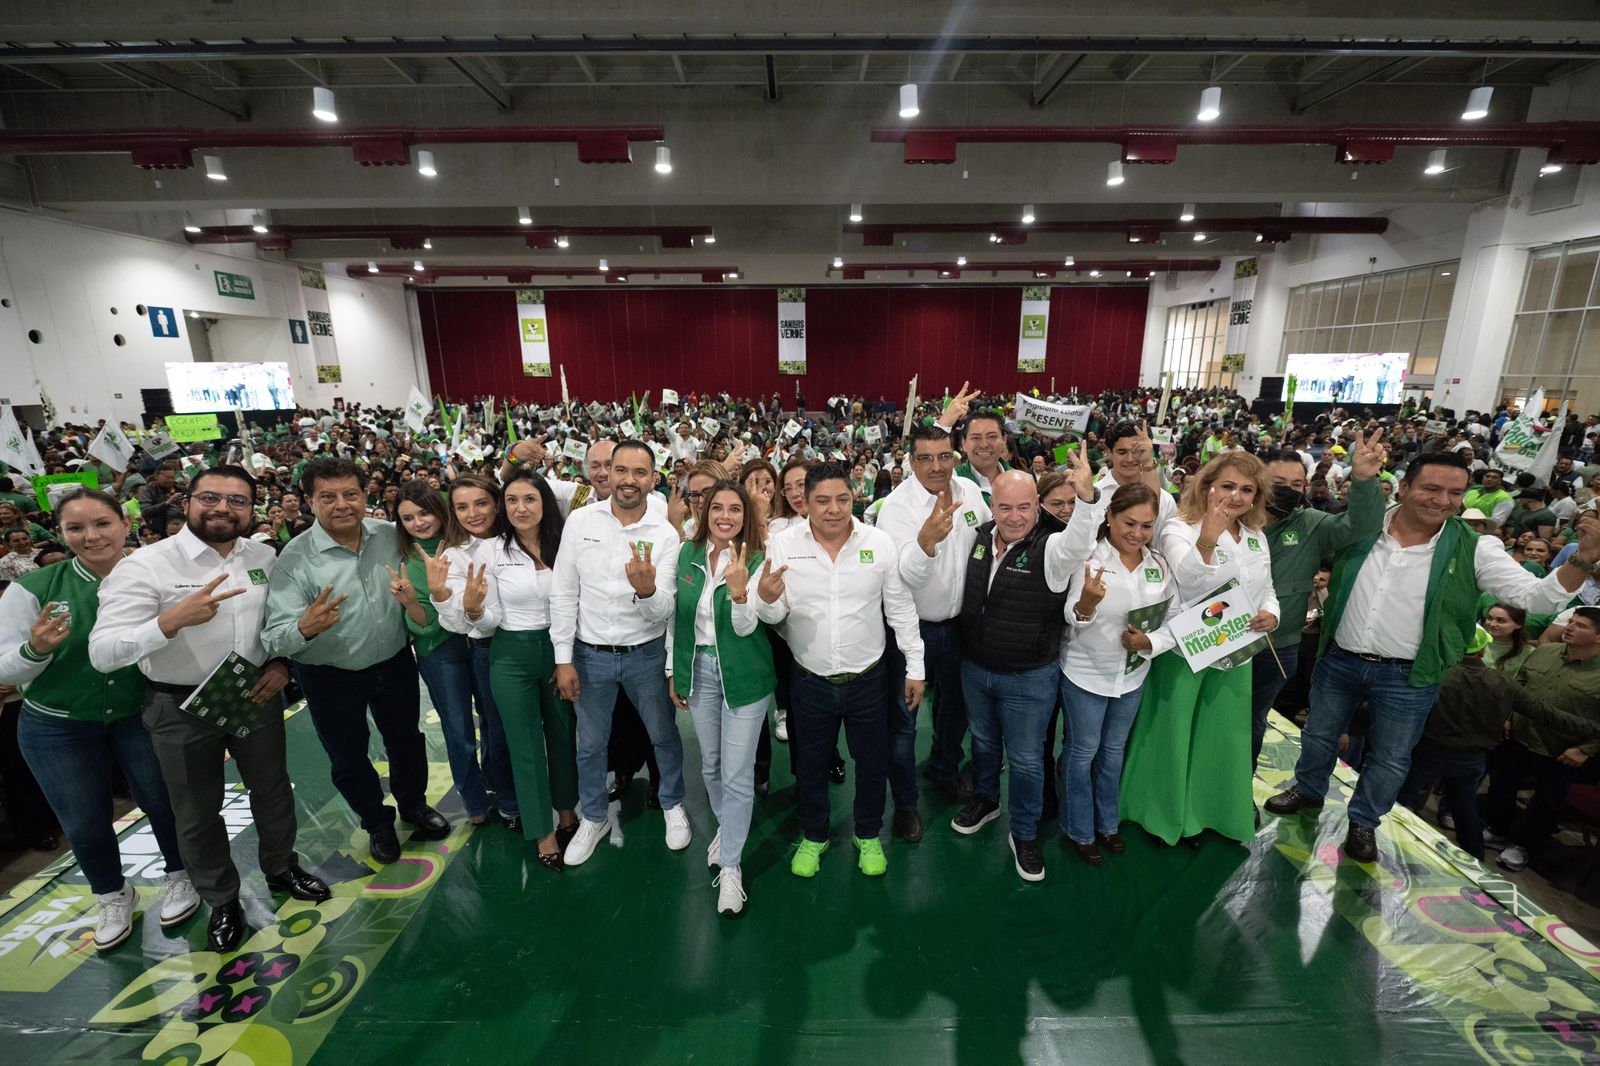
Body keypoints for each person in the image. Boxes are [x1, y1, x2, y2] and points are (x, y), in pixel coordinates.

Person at [1265, 452, 1600, 863]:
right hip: (1340, 658)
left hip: (1408, 674)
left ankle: (1364, 822)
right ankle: (1308, 789)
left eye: (1455, 493)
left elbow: (1538, 598)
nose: (1442, 500)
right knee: (1318, 733)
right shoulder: (1363, 527)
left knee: (1390, 756)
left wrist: (1584, 558)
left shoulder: (1476, 548)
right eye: (1431, 488)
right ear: (1404, 487)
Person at [89, 466, 329, 953]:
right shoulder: (145, 565)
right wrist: (168, 622)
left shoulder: (263, 556)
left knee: (273, 790)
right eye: (211, 498)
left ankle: (281, 866)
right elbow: (103, 652)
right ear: (188, 502)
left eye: (237, 500)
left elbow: (276, 622)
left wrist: (280, 663)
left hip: (253, 692)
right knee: (197, 810)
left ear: (252, 509)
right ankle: (221, 898)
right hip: (179, 704)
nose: (223, 508)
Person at [0, 488, 195, 951]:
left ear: (125, 524)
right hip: (57, 725)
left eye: (102, 523)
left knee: (163, 802)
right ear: (60, 532)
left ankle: (180, 875)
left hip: (139, 714)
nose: (91, 536)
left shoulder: (159, 572)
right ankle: (111, 893)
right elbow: (4, 668)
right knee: (84, 821)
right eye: (76, 527)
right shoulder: (33, 589)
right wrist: (35, 650)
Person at [263, 457, 450, 866]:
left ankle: (414, 806)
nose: (341, 504)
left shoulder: (390, 535)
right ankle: (377, 823)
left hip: (395, 663)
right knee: (348, 757)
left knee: (407, 740)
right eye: (327, 497)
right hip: (328, 676)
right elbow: (274, 635)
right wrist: (305, 628)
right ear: (309, 501)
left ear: (365, 494)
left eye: (350, 494)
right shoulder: (294, 559)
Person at [755, 461, 925, 878]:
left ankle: (867, 833)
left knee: (872, 762)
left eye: (842, 499)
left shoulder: (878, 544)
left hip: (869, 678)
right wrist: (765, 598)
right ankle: (814, 835)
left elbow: (900, 609)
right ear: (805, 503)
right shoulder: (783, 545)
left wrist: (915, 666)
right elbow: (772, 614)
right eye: (823, 501)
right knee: (810, 764)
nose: (834, 509)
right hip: (809, 679)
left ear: (854, 497)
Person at [1121, 451, 1280, 846]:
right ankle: (1163, 815)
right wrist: (1207, 537)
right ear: (1207, 486)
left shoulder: (1257, 536)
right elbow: (1189, 582)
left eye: (1247, 489)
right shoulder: (1180, 528)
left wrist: (1271, 615)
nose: (1236, 496)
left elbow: (1267, 588)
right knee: (1172, 736)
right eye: (1227, 486)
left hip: (1235, 653)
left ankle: (1207, 815)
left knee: (1219, 738)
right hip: (1185, 650)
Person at [948, 453, 1090, 881]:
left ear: (1038, 506)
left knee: (1027, 761)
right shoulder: (979, 538)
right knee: (984, 744)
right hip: (976, 668)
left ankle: (1024, 832)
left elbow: (1078, 543)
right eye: (1005, 507)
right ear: (992, 505)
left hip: (1029, 677)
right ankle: (987, 800)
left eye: (1024, 507)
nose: (1014, 517)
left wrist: (1086, 500)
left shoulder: (1053, 548)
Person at [551, 440, 690, 867]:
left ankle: (672, 803)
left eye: (640, 472)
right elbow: (564, 591)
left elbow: (666, 609)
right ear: (608, 473)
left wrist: (646, 592)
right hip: (589, 655)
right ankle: (594, 817)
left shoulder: (665, 534)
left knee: (663, 735)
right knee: (590, 744)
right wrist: (563, 658)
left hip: (646, 653)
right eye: (622, 470)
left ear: (653, 479)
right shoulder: (580, 522)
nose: (629, 480)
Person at [437, 469, 580, 870]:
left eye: (530, 499)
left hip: (559, 650)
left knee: (563, 735)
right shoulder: (491, 550)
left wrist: (565, 657)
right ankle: (542, 832)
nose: (521, 508)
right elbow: (490, 620)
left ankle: (568, 814)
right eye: (512, 500)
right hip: (510, 655)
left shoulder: (564, 543)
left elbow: (575, 601)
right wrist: (473, 610)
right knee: (524, 745)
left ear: (545, 503)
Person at [874, 424, 992, 836]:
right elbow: (902, 579)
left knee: (956, 708)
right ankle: (906, 804)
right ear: (911, 461)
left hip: (961, 626)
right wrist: (925, 544)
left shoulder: (970, 494)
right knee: (904, 722)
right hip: (910, 630)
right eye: (925, 458)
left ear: (955, 457)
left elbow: (990, 543)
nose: (936, 466)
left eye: (944, 456)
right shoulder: (896, 509)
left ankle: (944, 767)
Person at [1056, 474, 1178, 867]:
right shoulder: (1088, 559)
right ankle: (1079, 828)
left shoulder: (1159, 565)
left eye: (1146, 525)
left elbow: (1174, 618)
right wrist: (1087, 604)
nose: (1137, 533)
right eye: (1129, 523)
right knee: (1082, 752)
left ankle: (1106, 823)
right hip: (1085, 673)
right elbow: (1071, 616)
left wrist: (1151, 643)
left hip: (1132, 676)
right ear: (1109, 516)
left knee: (1113, 752)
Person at [1398, 624, 1600, 860]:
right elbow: (1547, 714)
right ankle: (1475, 860)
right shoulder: (1503, 682)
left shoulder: (1435, 675)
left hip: (1427, 754)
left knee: (1397, 802)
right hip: (1472, 760)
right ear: (1483, 651)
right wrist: (1592, 729)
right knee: (1465, 812)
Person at [669, 480, 774, 915]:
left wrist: (739, 592)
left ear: (745, 515)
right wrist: (674, 671)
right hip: (699, 672)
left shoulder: (759, 558)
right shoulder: (686, 554)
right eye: (717, 508)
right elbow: (677, 620)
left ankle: (731, 866)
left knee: (737, 775)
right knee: (710, 765)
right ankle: (728, 828)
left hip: (745, 676)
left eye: (734, 509)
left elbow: (748, 627)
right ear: (704, 512)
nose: (725, 516)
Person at [1251, 434, 1387, 767]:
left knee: (1252, 721)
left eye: (1297, 484)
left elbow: (1361, 527)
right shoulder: (1230, 517)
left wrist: (1364, 481)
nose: (1288, 490)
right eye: (1278, 483)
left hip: (1277, 645)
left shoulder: (1311, 523)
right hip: (1219, 639)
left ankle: (1237, 788)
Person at [389, 481, 491, 826]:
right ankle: (474, 801)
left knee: (494, 721)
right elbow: (425, 625)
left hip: (482, 640)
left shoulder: (468, 540)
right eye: (407, 518)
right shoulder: (407, 560)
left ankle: (497, 781)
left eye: (424, 512)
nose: (418, 522)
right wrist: (410, 603)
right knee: (458, 729)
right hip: (440, 651)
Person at [431, 475, 520, 830]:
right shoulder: (453, 555)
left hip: (536, 644)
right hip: (489, 649)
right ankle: (510, 802)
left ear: (497, 503)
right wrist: (450, 598)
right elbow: (458, 623)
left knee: (538, 728)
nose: (473, 514)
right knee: (499, 731)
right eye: (462, 507)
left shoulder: (521, 536)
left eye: (481, 503)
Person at [1484, 606, 1600, 871]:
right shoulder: (1545, 652)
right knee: (1502, 785)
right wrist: (1508, 716)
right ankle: (1498, 830)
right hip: (1520, 735)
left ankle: (1523, 846)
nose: (1569, 627)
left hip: (1562, 748)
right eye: (1571, 622)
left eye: (1581, 625)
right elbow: (1520, 684)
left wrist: (1586, 749)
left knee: (1547, 801)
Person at [955, 412, 1011, 505]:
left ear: (1004, 440)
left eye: (992, 437)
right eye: (975, 438)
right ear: (964, 443)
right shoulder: (952, 481)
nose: (984, 445)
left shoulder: (1023, 481)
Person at [1482, 602, 1534, 674]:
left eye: (1500, 620)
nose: (1492, 624)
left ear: (1518, 625)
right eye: (1490, 618)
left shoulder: (1529, 652)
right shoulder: (1475, 641)